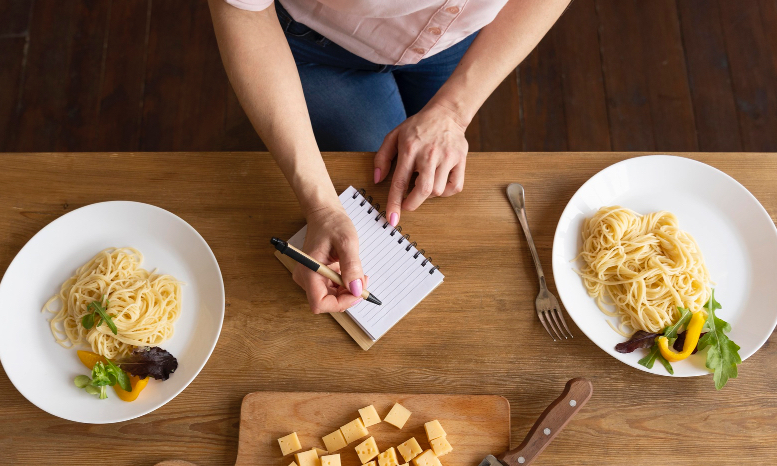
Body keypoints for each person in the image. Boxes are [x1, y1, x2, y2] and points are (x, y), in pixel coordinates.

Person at [208, 0, 570, 313]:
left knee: (416, 171)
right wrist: (321, 206)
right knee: (379, 176)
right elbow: (243, 13)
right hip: (317, 46)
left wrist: (453, 111)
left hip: (454, 39)